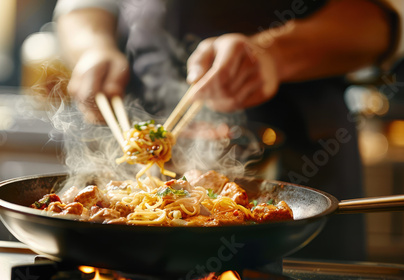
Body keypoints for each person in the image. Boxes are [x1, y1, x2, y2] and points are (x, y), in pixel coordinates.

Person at [53, 0, 402, 261]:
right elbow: (84, 5)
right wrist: (92, 48)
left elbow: (386, 20)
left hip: (303, 153)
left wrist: (273, 52)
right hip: (140, 124)